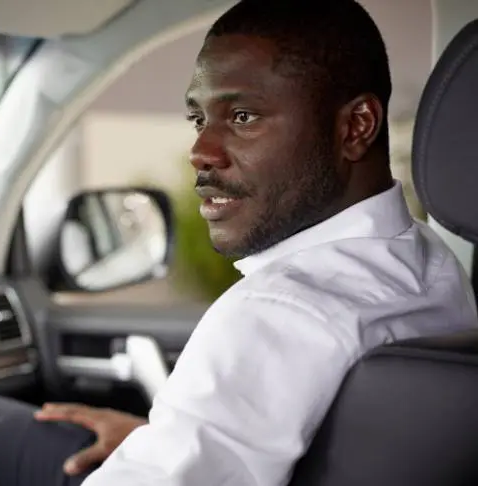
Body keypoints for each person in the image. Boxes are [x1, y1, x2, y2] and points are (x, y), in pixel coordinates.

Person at [35, 0, 478, 484]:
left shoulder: (279, 310)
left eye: (243, 116)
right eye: (198, 120)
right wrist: (160, 440)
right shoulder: (429, 264)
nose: (200, 152)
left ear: (356, 126)